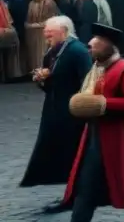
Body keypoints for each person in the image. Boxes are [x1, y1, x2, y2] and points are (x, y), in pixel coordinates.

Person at [44, 23, 124, 222]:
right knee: (89, 180)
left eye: (97, 42)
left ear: (109, 46)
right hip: (96, 131)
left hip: (118, 134)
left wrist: (102, 103)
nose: (91, 45)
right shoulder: (98, 70)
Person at [20, 16, 92, 194]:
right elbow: (52, 81)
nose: (46, 36)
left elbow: (88, 82)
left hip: (72, 113)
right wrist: (42, 78)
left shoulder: (78, 51)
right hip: (55, 110)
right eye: (45, 33)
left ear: (64, 31)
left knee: (72, 152)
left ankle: (79, 192)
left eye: (50, 33)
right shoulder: (53, 51)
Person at [24, 0, 59, 71]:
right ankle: (35, 70)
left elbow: (52, 19)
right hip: (33, 34)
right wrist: (29, 25)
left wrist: (35, 25)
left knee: (43, 52)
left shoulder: (49, 2)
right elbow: (29, 19)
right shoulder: (31, 3)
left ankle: (43, 70)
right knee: (33, 53)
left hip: (45, 32)